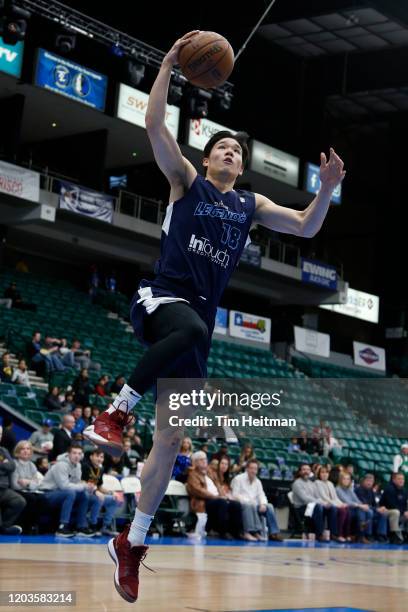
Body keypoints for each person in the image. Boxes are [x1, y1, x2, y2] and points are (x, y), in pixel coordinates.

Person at [83, 31, 346, 603]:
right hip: (162, 301)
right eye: (223, 149)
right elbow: (154, 125)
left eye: (238, 153)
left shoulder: (248, 207)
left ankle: (131, 541)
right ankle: (114, 411)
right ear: (207, 159)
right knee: (193, 326)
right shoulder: (185, 183)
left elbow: (305, 225)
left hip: (194, 330)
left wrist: (324, 190)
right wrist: (169, 66)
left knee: (172, 440)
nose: (231, 155)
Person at [38, 443, 99, 537]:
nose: (77, 456)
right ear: (69, 454)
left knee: (85, 494)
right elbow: (64, 486)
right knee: (70, 493)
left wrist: (88, 486)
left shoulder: (78, 466)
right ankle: (62, 527)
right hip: (47, 493)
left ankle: (81, 526)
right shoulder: (61, 465)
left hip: (62, 493)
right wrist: (83, 486)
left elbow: (77, 483)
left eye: (79, 453)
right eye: (74, 453)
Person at [231, 459, 283, 541]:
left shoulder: (258, 481)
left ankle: (274, 533)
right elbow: (235, 495)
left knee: (269, 506)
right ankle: (250, 532)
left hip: (255, 506)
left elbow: (261, 495)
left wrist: (263, 504)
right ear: (247, 469)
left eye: (255, 469)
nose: (253, 471)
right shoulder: (238, 479)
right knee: (250, 505)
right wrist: (248, 501)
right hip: (243, 505)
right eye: (251, 468)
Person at [81, 449, 122, 536]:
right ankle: (93, 525)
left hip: (95, 494)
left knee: (114, 499)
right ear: (91, 457)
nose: (99, 459)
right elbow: (83, 483)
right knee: (99, 498)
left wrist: (111, 492)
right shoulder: (85, 466)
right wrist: (96, 492)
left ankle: (106, 526)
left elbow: (99, 486)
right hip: (84, 495)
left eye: (101, 457)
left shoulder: (101, 469)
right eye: (97, 456)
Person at [11, 440, 46, 533]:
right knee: (31, 498)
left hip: (28, 490)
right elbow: (15, 485)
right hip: (15, 491)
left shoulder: (32, 465)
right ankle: (27, 526)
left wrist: (26, 482)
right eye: (23, 449)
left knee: (42, 498)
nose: (26, 451)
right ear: (18, 451)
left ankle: (35, 525)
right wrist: (31, 483)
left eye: (28, 448)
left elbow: (37, 485)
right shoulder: (14, 464)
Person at [355, 473, 400, 543]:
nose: (369, 483)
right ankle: (368, 534)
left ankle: (381, 535)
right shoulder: (359, 490)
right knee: (370, 512)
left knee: (383, 513)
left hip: (371, 509)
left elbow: (374, 504)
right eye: (368, 481)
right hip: (362, 509)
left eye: (371, 481)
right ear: (363, 481)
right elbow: (363, 504)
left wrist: (380, 508)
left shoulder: (371, 491)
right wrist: (376, 509)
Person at [0, 427, 26, 534]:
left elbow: (12, 466)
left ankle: (4, 527)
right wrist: (3, 465)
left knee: (19, 501)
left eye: (0, 434)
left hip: (3, 488)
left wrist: (3, 466)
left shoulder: (3, 450)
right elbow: (7, 467)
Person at [314, 465, 350, 542]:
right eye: (322, 472)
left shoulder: (330, 483)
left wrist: (341, 504)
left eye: (326, 472)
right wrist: (337, 505)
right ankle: (333, 534)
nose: (325, 474)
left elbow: (335, 497)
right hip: (322, 503)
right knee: (335, 508)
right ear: (319, 474)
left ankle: (337, 534)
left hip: (331, 504)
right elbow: (324, 497)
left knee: (345, 509)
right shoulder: (317, 482)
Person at [336, 472, 372, 543]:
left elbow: (357, 500)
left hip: (354, 508)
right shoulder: (338, 489)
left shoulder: (349, 490)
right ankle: (360, 535)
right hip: (345, 508)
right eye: (344, 479)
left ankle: (363, 535)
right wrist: (360, 506)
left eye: (348, 479)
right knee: (360, 512)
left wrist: (363, 505)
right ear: (340, 480)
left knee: (368, 511)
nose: (346, 481)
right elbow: (347, 501)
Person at [380, 472, 408, 544]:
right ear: (394, 480)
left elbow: (405, 504)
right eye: (399, 479)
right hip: (385, 511)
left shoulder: (404, 490)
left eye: (402, 479)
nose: (401, 481)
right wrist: (403, 512)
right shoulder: (389, 489)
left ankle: (405, 535)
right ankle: (394, 535)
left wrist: (406, 511)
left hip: (399, 511)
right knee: (396, 512)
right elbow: (392, 505)